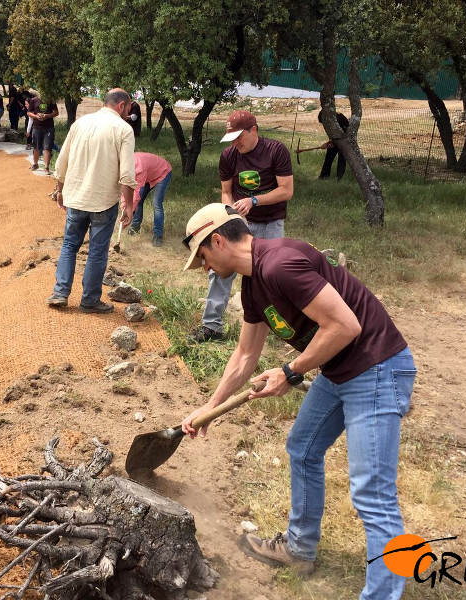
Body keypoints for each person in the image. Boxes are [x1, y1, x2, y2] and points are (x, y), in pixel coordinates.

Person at [180, 203, 416, 600]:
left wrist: (291, 371)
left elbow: (345, 325)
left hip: (376, 368)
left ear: (217, 241)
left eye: (202, 256)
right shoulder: (254, 283)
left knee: (372, 495)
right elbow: (244, 356)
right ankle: (299, 550)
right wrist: (209, 408)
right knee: (303, 449)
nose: (203, 267)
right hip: (340, 370)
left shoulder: (280, 264)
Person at [190, 109, 293, 344]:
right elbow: (226, 192)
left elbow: (286, 190)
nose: (236, 143)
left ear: (253, 130)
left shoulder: (276, 151)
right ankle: (212, 326)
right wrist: (231, 218)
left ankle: (277, 328)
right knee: (219, 270)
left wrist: (254, 200)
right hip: (239, 224)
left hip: (270, 223)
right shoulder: (228, 156)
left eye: (239, 137)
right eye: (232, 138)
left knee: (269, 274)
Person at [46, 88, 136, 314]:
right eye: (129, 109)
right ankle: (89, 301)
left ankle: (60, 293)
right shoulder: (124, 129)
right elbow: (126, 174)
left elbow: (62, 160)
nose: (128, 113)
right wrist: (130, 205)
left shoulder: (80, 123)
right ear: (122, 105)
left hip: (76, 198)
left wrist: (59, 189)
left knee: (69, 246)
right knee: (97, 252)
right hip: (103, 202)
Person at [127, 152, 171, 247]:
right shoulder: (125, 165)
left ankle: (158, 235)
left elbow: (137, 192)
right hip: (149, 174)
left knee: (156, 203)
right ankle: (135, 227)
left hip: (163, 173)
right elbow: (126, 189)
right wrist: (125, 206)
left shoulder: (139, 168)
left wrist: (130, 211)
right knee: (139, 201)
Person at [26, 94, 59, 175]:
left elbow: (56, 112)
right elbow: (29, 112)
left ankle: (46, 167)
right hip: (37, 127)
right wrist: (36, 116)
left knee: (47, 148)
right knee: (36, 147)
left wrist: (47, 115)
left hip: (49, 127)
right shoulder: (34, 100)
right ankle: (35, 164)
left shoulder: (51, 100)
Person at [318, 110, 349, 180]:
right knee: (328, 158)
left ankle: (339, 178)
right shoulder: (329, 123)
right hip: (335, 141)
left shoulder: (340, 120)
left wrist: (327, 143)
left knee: (341, 159)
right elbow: (331, 134)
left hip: (344, 142)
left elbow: (340, 136)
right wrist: (330, 143)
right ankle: (323, 176)